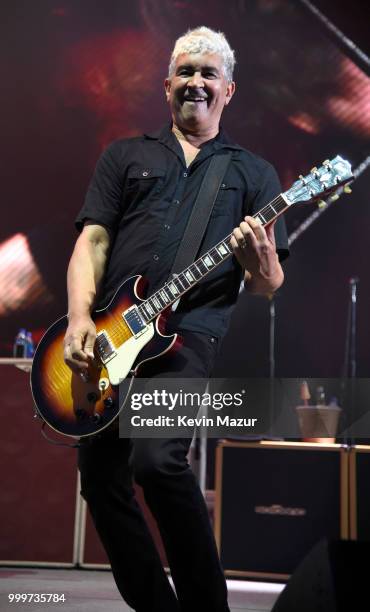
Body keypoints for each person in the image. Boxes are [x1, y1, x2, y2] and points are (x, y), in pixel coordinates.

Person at [63, 26, 288, 612]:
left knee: (158, 460)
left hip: (186, 339)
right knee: (101, 481)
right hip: (111, 340)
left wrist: (260, 261)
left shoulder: (253, 174)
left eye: (208, 73)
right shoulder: (125, 155)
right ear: (166, 87)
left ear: (229, 89)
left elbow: (268, 285)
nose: (196, 82)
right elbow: (91, 243)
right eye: (186, 72)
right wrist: (80, 316)